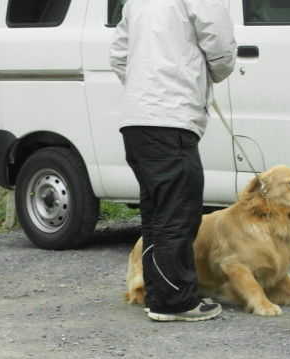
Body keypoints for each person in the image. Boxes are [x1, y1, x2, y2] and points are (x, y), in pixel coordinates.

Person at [109, 0, 237, 322]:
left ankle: (160, 295)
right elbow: (221, 49)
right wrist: (202, 76)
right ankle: (175, 302)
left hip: (136, 119)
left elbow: (118, 56)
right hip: (171, 118)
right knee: (178, 213)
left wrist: (145, 85)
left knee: (157, 214)